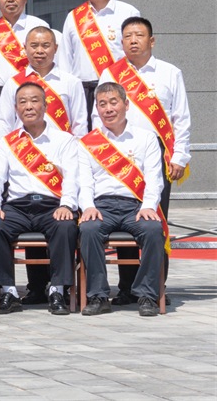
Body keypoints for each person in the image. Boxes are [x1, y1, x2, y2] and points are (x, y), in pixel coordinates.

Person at [97, 17, 187, 303]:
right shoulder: (111, 73)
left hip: (158, 153)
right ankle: (127, 287)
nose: (133, 40)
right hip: (119, 151)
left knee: (154, 218)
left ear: (152, 40)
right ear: (121, 42)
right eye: (127, 36)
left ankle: (156, 286)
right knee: (125, 218)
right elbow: (97, 115)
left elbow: (181, 118)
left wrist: (180, 155)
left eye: (139, 35)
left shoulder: (170, 72)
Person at [0, 81, 83, 316]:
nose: (28, 106)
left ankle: (57, 291)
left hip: (52, 205)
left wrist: (67, 205)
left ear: (45, 106)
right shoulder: (8, 142)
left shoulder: (64, 140)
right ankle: (8, 292)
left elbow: (72, 177)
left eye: (34, 101)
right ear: (16, 109)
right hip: (18, 206)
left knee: (66, 225)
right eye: (23, 102)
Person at [77, 82, 165, 317]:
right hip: (102, 206)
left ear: (126, 104)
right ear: (97, 108)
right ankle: (98, 296)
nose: (108, 109)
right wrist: (88, 207)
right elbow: (84, 182)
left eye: (113, 102)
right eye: (102, 104)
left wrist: (148, 206)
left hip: (134, 206)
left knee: (153, 230)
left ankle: (146, 295)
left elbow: (154, 178)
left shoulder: (146, 138)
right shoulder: (88, 143)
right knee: (88, 229)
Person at [58, 0, 141, 104]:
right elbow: (65, 59)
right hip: (82, 92)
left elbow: (137, 55)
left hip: (119, 88)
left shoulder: (129, 13)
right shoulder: (73, 17)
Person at [0, 26, 87, 139]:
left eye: (45, 46)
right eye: (34, 46)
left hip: (62, 148)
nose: (39, 51)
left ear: (55, 48)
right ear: (25, 48)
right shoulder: (12, 84)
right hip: (24, 147)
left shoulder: (71, 82)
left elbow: (80, 125)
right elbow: (4, 124)